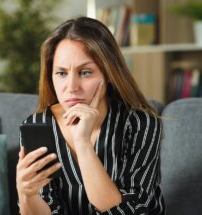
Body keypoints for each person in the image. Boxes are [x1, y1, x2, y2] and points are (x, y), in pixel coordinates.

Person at [16, 17, 165, 215]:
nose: (71, 87)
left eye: (85, 73)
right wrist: (27, 194)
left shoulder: (140, 123)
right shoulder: (38, 125)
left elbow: (133, 211)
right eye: (61, 73)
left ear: (109, 73)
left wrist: (83, 143)